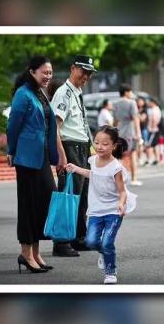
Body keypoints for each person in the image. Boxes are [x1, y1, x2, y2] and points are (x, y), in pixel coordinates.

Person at [65, 125, 137, 284]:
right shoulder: (93, 160)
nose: (99, 147)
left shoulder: (116, 167)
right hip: (96, 211)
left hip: (113, 211)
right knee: (91, 242)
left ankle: (110, 271)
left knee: (107, 242)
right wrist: (76, 168)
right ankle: (105, 254)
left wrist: (121, 204)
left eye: (104, 144)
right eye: (96, 143)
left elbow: (122, 191)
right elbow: (94, 175)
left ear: (113, 146)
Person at [6, 56, 58, 274]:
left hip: (42, 157)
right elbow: (12, 126)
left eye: (50, 72)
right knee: (28, 206)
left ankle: (36, 252)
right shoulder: (23, 94)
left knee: (44, 202)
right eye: (44, 72)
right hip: (27, 159)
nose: (48, 76)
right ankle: (26, 253)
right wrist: (11, 151)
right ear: (32, 71)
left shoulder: (40, 93)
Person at [50, 55, 97, 257]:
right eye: (83, 71)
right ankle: (61, 242)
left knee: (82, 195)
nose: (86, 76)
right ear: (72, 68)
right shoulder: (64, 93)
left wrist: (91, 147)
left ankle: (78, 237)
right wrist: (61, 155)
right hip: (70, 147)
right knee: (68, 195)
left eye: (89, 73)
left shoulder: (76, 93)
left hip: (82, 147)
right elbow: (56, 128)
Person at [113, 84, 143, 186]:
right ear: (126, 92)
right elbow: (136, 119)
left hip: (120, 131)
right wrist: (138, 133)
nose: (131, 94)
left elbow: (115, 120)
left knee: (120, 155)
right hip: (130, 131)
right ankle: (134, 178)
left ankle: (119, 178)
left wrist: (114, 131)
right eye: (130, 92)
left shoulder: (116, 103)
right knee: (132, 154)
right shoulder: (132, 103)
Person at [144, 97, 162, 166]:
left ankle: (149, 160)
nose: (148, 103)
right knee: (155, 144)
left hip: (153, 129)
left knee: (150, 145)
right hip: (155, 129)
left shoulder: (154, 110)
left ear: (153, 102)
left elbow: (154, 120)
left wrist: (152, 127)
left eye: (149, 102)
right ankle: (157, 159)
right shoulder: (155, 109)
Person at [136, 96, 148, 166]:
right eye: (139, 101)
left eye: (141, 101)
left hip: (143, 130)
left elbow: (142, 119)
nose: (140, 102)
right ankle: (139, 159)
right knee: (138, 145)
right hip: (136, 130)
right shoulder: (135, 109)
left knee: (143, 145)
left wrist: (136, 115)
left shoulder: (144, 110)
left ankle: (143, 158)